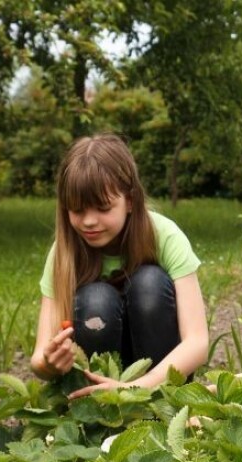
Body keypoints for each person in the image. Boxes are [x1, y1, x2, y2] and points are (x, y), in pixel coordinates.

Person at [30, 133, 209, 398]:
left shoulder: (165, 236)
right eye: (77, 210)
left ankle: (160, 410)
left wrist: (136, 389)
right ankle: (100, 415)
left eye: (103, 208)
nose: (89, 221)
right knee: (95, 299)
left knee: (149, 283)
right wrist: (50, 363)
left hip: (160, 383)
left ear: (130, 201)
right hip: (98, 388)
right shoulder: (64, 252)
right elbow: (39, 360)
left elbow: (198, 343)